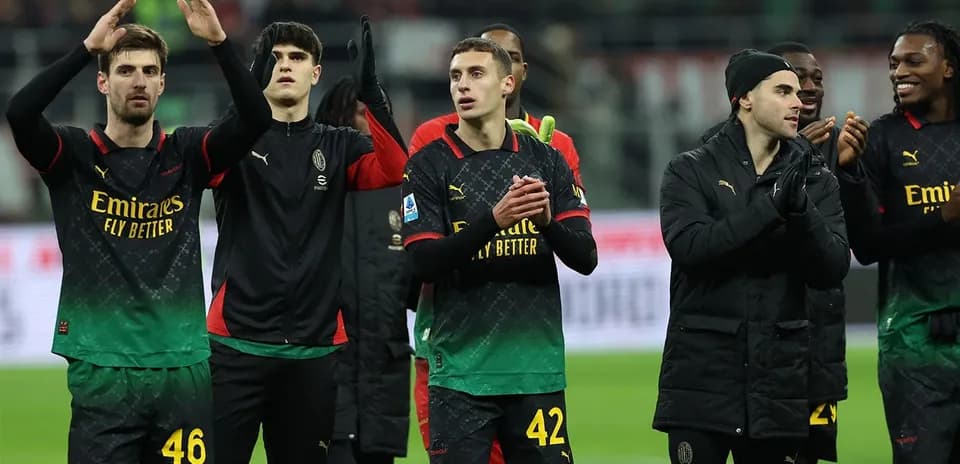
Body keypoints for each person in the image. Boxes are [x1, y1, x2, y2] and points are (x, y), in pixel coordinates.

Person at [3, 0, 271, 462]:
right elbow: (21, 113)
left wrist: (219, 43)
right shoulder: (74, 156)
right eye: (125, 70)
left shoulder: (187, 154)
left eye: (150, 71)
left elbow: (255, 120)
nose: (139, 81)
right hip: (103, 368)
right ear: (103, 82)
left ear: (163, 83)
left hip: (180, 367)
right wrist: (86, 49)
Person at [205, 18, 409, 464]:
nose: (285, 66)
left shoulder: (339, 146)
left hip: (313, 351)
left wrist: (372, 94)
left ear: (315, 73)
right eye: (274, 58)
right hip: (235, 344)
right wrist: (246, 90)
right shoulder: (235, 141)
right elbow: (208, 161)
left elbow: (395, 169)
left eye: (297, 58)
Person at [402, 37, 596, 464]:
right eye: (455, 76)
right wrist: (494, 220)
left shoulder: (548, 160)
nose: (462, 85)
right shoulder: (428, 164)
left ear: (508, 84)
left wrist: (547, 224)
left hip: (536, 372)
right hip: (459, 376)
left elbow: (586, 258)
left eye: (476, 74)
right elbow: (422, 262)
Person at [655, 49, 850, 464]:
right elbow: (691, 249)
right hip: (701, 379)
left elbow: (833, 268)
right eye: (783, 91)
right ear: (744, 98)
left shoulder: (814, 178)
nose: (798, 102)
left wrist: (801, 210)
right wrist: (772, 206)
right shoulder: (690, 170)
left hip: (778, 382)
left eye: (797, 92)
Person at [699, 41, 869, 464]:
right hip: (754, 347)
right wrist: (799, 158)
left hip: (818, 347)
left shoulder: (843, 147)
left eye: (815, 79)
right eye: (790, 81)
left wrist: (850, 173)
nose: (805, 89)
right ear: (752, 94)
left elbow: (861, 244)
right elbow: (720, 239)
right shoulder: (716, 152)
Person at [835, 20, 960, 463]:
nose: (899, 72)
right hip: (914, 347)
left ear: (948, 67)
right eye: (893, 64)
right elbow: (867, 246)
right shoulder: (881, 139)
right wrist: (942, 218)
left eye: (913, 60)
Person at [315, 76, 413, 464]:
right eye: (362, 113)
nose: (374, 124)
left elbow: (415, 283)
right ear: (336, 116)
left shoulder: (402, 193)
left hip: (382, 373)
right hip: (325, 369)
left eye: (380, 114)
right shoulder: (309, 186)